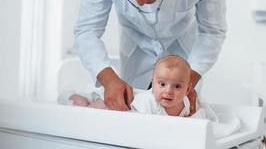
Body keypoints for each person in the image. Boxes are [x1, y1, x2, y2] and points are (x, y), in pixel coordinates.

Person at [75, 0, 227, 114]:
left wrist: (183, 83)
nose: (141, 3)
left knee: (177, 118)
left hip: (185, 57)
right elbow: (87, 31)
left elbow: (212, 32)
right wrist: (108, 79)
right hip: (135, 52)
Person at [64, 55, 195, 117]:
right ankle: (71, 96)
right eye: (162, 84)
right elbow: (134, 123)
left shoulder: (186, 103)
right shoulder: (149, 102)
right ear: (153, 85)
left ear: (187, 90)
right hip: (111, 103)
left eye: (177, 86)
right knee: (87, 112)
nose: (168, 91)